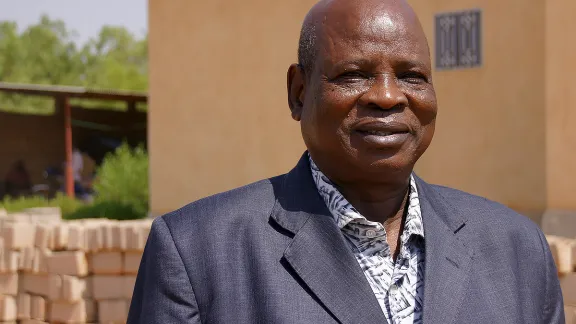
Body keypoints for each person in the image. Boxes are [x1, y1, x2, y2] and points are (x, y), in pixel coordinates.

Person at [128, 0, 564, 323]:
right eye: (353, 75)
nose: (388, 96)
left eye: (412, 76)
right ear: (299, 92)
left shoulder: (517, 252)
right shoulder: (196, 253)